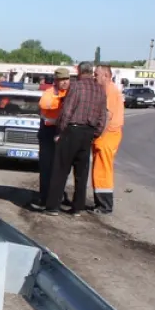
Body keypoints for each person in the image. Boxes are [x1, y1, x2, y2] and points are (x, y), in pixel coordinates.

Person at [43, 62, 107, 215]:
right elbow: (103, 116)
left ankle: (53, 206)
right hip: (88, 132)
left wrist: (59, 131)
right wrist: (95, 133)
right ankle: (78, 208)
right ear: (91, 72)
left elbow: (67, 111)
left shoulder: (76, 86)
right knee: (81, 172)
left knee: (61, 169)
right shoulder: (100, 90)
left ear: (79, 71)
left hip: (72, 130)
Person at [34, 68, 71, 206]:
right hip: (48, 132)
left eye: (66, 79)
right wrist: (61, 102)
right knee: (46, 167)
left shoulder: (70, 92)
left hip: (64, 132)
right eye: (62, 80)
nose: (65, 82)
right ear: (55, 81)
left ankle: (59, 195)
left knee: (63, 168)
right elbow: (45, 105)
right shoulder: (49, 93)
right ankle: (44, 197)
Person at [91, 65, 124, 214]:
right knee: (100, 169)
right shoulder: (108, 89)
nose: (94, 77)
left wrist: (97, 134)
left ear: (106, 75)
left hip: (108, 135)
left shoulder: (110, 90)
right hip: (107, 135)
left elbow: (106, 116)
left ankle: (104, 205)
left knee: (102, 170)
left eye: (96, 74)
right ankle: (102, 203)